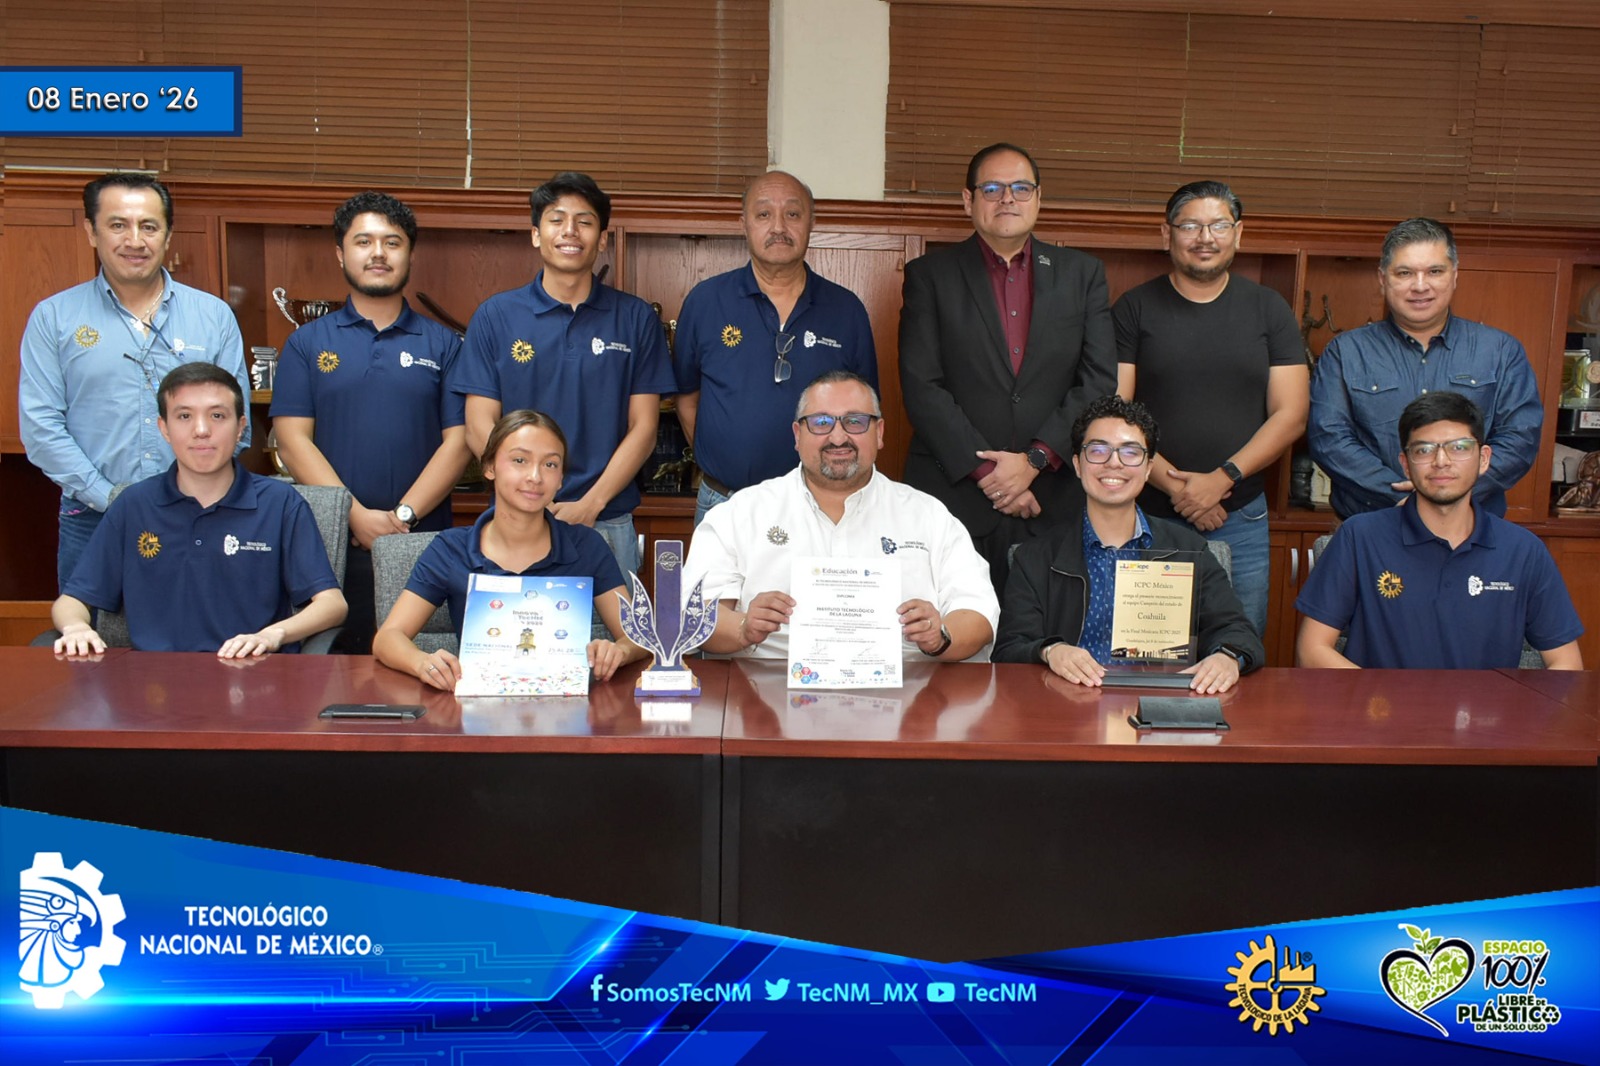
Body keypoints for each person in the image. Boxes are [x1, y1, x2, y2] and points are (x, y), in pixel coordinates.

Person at [899, 142, 1116, 593]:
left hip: (1053, 495)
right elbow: (922, 386)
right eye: (992, 188)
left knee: (1048, 629)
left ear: (1038, 198)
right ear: (969, 200)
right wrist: (992, 476)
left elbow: (1097, 381)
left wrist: (1035, 460)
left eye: (1020, 188)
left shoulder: (1082, 274)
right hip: (954, 496)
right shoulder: (930, 276)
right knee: (951, 629)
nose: (1007, 199)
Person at [21, 172, 249, 591]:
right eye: (117, 225)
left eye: (149, 226)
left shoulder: (213, 315)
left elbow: (236, 422)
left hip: (199, 513)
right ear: (92, 231)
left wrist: (182, 495)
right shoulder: (54, 318)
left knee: (201, 629)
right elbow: (40, 427)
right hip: (92, 517)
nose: (134, 240)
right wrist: (109, 497)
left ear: (168, 235)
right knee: (86, 629)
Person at [683, 371, 998, 661]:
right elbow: (694, 615)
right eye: (821, 422)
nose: (837, 438)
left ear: (879, 432)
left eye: (855, 422)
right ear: (797, 435)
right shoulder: (741, 513)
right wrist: (743, 629)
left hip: (909, 691)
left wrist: (940, 637)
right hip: (764, 688)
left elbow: (979, 613)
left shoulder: (927, 515)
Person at [271, 191, 469, 654]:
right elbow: (292, 439)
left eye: (392, 242)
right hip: (330, 542)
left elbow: (460, 441)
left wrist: (402, 517)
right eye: (363, 241)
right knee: (335, 667)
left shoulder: (444, 345)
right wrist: (354, 516)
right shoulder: (306, 343)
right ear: (341, 254)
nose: (378, 253)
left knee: (424, 662)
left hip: (422, 540)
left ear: (410, 255)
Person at [455, 172, 676, 578]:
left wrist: (591, 504)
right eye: (556, 220)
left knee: (616, 623)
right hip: (515, 522)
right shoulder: (495, 316)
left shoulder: (635, 318)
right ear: (536, 234)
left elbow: (644, 428)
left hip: (605, 520)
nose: (570, 231)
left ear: (603, 239)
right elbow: (477, 424)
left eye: (584, 221)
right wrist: (531, 498)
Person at [1114, 180, 1308, 636]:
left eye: (1219, 225)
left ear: (1238, 233)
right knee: (1150, 648)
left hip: (1241, 515)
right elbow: (1115, 413)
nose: (1205, 238)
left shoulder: (1269, 309)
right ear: (1167, 234)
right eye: (1190, 226)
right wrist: (1181, 491)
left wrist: (1222, 479)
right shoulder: (1134, 308)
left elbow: (1291, 414)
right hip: (1151, 512)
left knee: (1238, 644)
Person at [51, 363, 346, 656]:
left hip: (253, 671)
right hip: (154, 679)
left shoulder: (280, 503)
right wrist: (75, 627)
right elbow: (72, 600)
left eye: (217, 416)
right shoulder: (133, 504)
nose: (202, 430)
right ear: (164, 428)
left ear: (241, 426)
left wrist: (273, 634)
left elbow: (332, 604)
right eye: (184, 416)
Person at [994, 395, 1263, 694]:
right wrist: (1050, 650)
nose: (1114, 463)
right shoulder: (1036, 557)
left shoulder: (1189, 551)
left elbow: (1238, 632)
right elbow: (1009, 648)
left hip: (1159, 704)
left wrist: (1227, 657)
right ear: (1078, 465)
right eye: (1098, 450)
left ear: (1148, 468)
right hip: (1068, 703)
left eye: (1131, 452)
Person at [1296, 392, 1582, 670]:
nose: (1441, 461)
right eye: (1424, 450)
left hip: (1486, 705)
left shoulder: (1524, 550)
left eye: (1459, 447)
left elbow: (1566, 663)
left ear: (1483, 459)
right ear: (1406, 465)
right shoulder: (1359, 537)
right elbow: (1311, 651)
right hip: (1379, 702)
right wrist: (1383, 697)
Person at [374, 410, 647, 690]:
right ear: (489, 467)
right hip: (474, 706)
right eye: (519, 460)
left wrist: (619, 651)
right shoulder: (450, 549)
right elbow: (387, 637)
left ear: (561, 479)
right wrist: (422, 663)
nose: (535, 476)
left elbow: (639, 638)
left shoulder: (587, 545)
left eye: (550, 464)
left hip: (566, 705)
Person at [673, 170, 878, 524]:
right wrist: (722, 458)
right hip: (724, 503)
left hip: (819, 507)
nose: (779, 226)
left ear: (811, 223)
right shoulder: (705, 301)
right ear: (744, 223)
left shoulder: (846, 310)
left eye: (793, 214)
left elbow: (865, 413)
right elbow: (686, 397)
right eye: (764, 214)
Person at [1308, 217, 1541, 519]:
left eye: (1434, 271)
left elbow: (1520, 438)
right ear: (1383, 279)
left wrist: (1451, 494)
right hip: (1373, 526)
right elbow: (1328, 438)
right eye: (1405, 273)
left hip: (1473, 529)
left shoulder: (1500, 351)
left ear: (1454, 276)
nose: (1420, 286)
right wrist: (1403, 495)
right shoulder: (1346, 352)